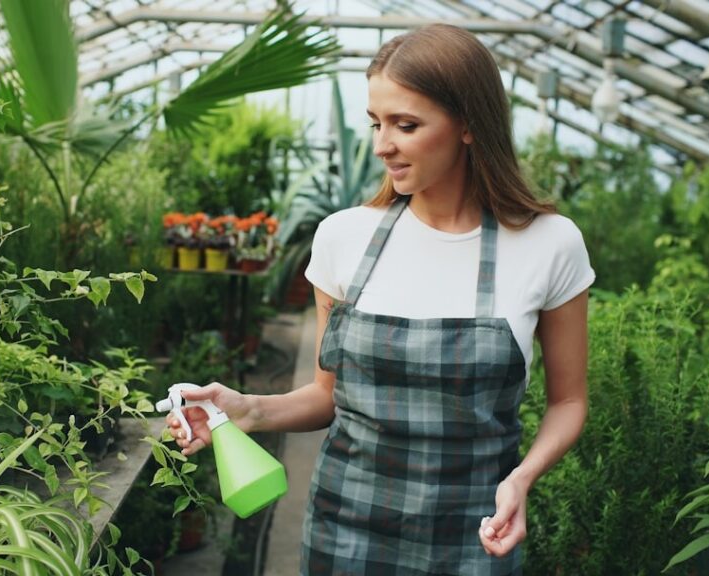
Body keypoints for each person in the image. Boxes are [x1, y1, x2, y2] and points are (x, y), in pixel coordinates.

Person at [168, 24, 593, 575]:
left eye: (405, 125)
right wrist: (247, 409)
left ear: (468, 123)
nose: (381, 145)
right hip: (345, 528)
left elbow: (568, 402)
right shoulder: (344, 237)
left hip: (477, 531)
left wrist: (521, 478)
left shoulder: (548, 243)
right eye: (376, 123)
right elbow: (328, 396)